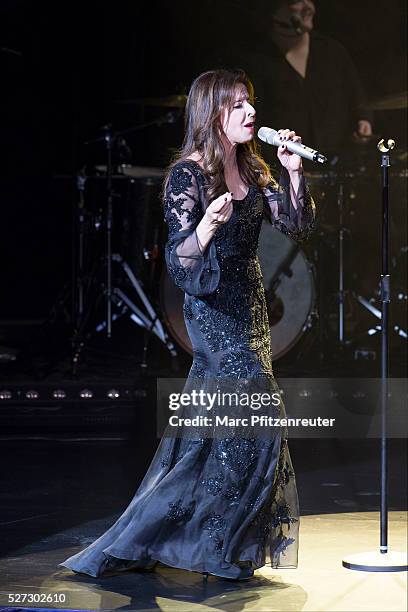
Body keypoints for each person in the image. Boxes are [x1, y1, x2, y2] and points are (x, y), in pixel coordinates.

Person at [59, 68, 315, 581]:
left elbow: (296, 225)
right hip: (214, 315)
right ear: (212, 113)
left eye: (251, 102)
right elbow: (179, 263)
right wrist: (204, 226)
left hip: (252, 309)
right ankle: (216, 545)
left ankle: (207, 541)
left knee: (212, 436)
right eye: (237, 104)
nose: (250, 112)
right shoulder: (188, 175)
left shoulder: (255, 166)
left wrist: (292, 173)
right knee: (255, 425)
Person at [248, 0, 373, 157]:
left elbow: (357, 97)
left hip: (337, 159)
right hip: (283, 164)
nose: (308, 7)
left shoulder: (332, 50)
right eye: (296, 2)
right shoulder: (256, 59)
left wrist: (364, 120)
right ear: (274, 10)